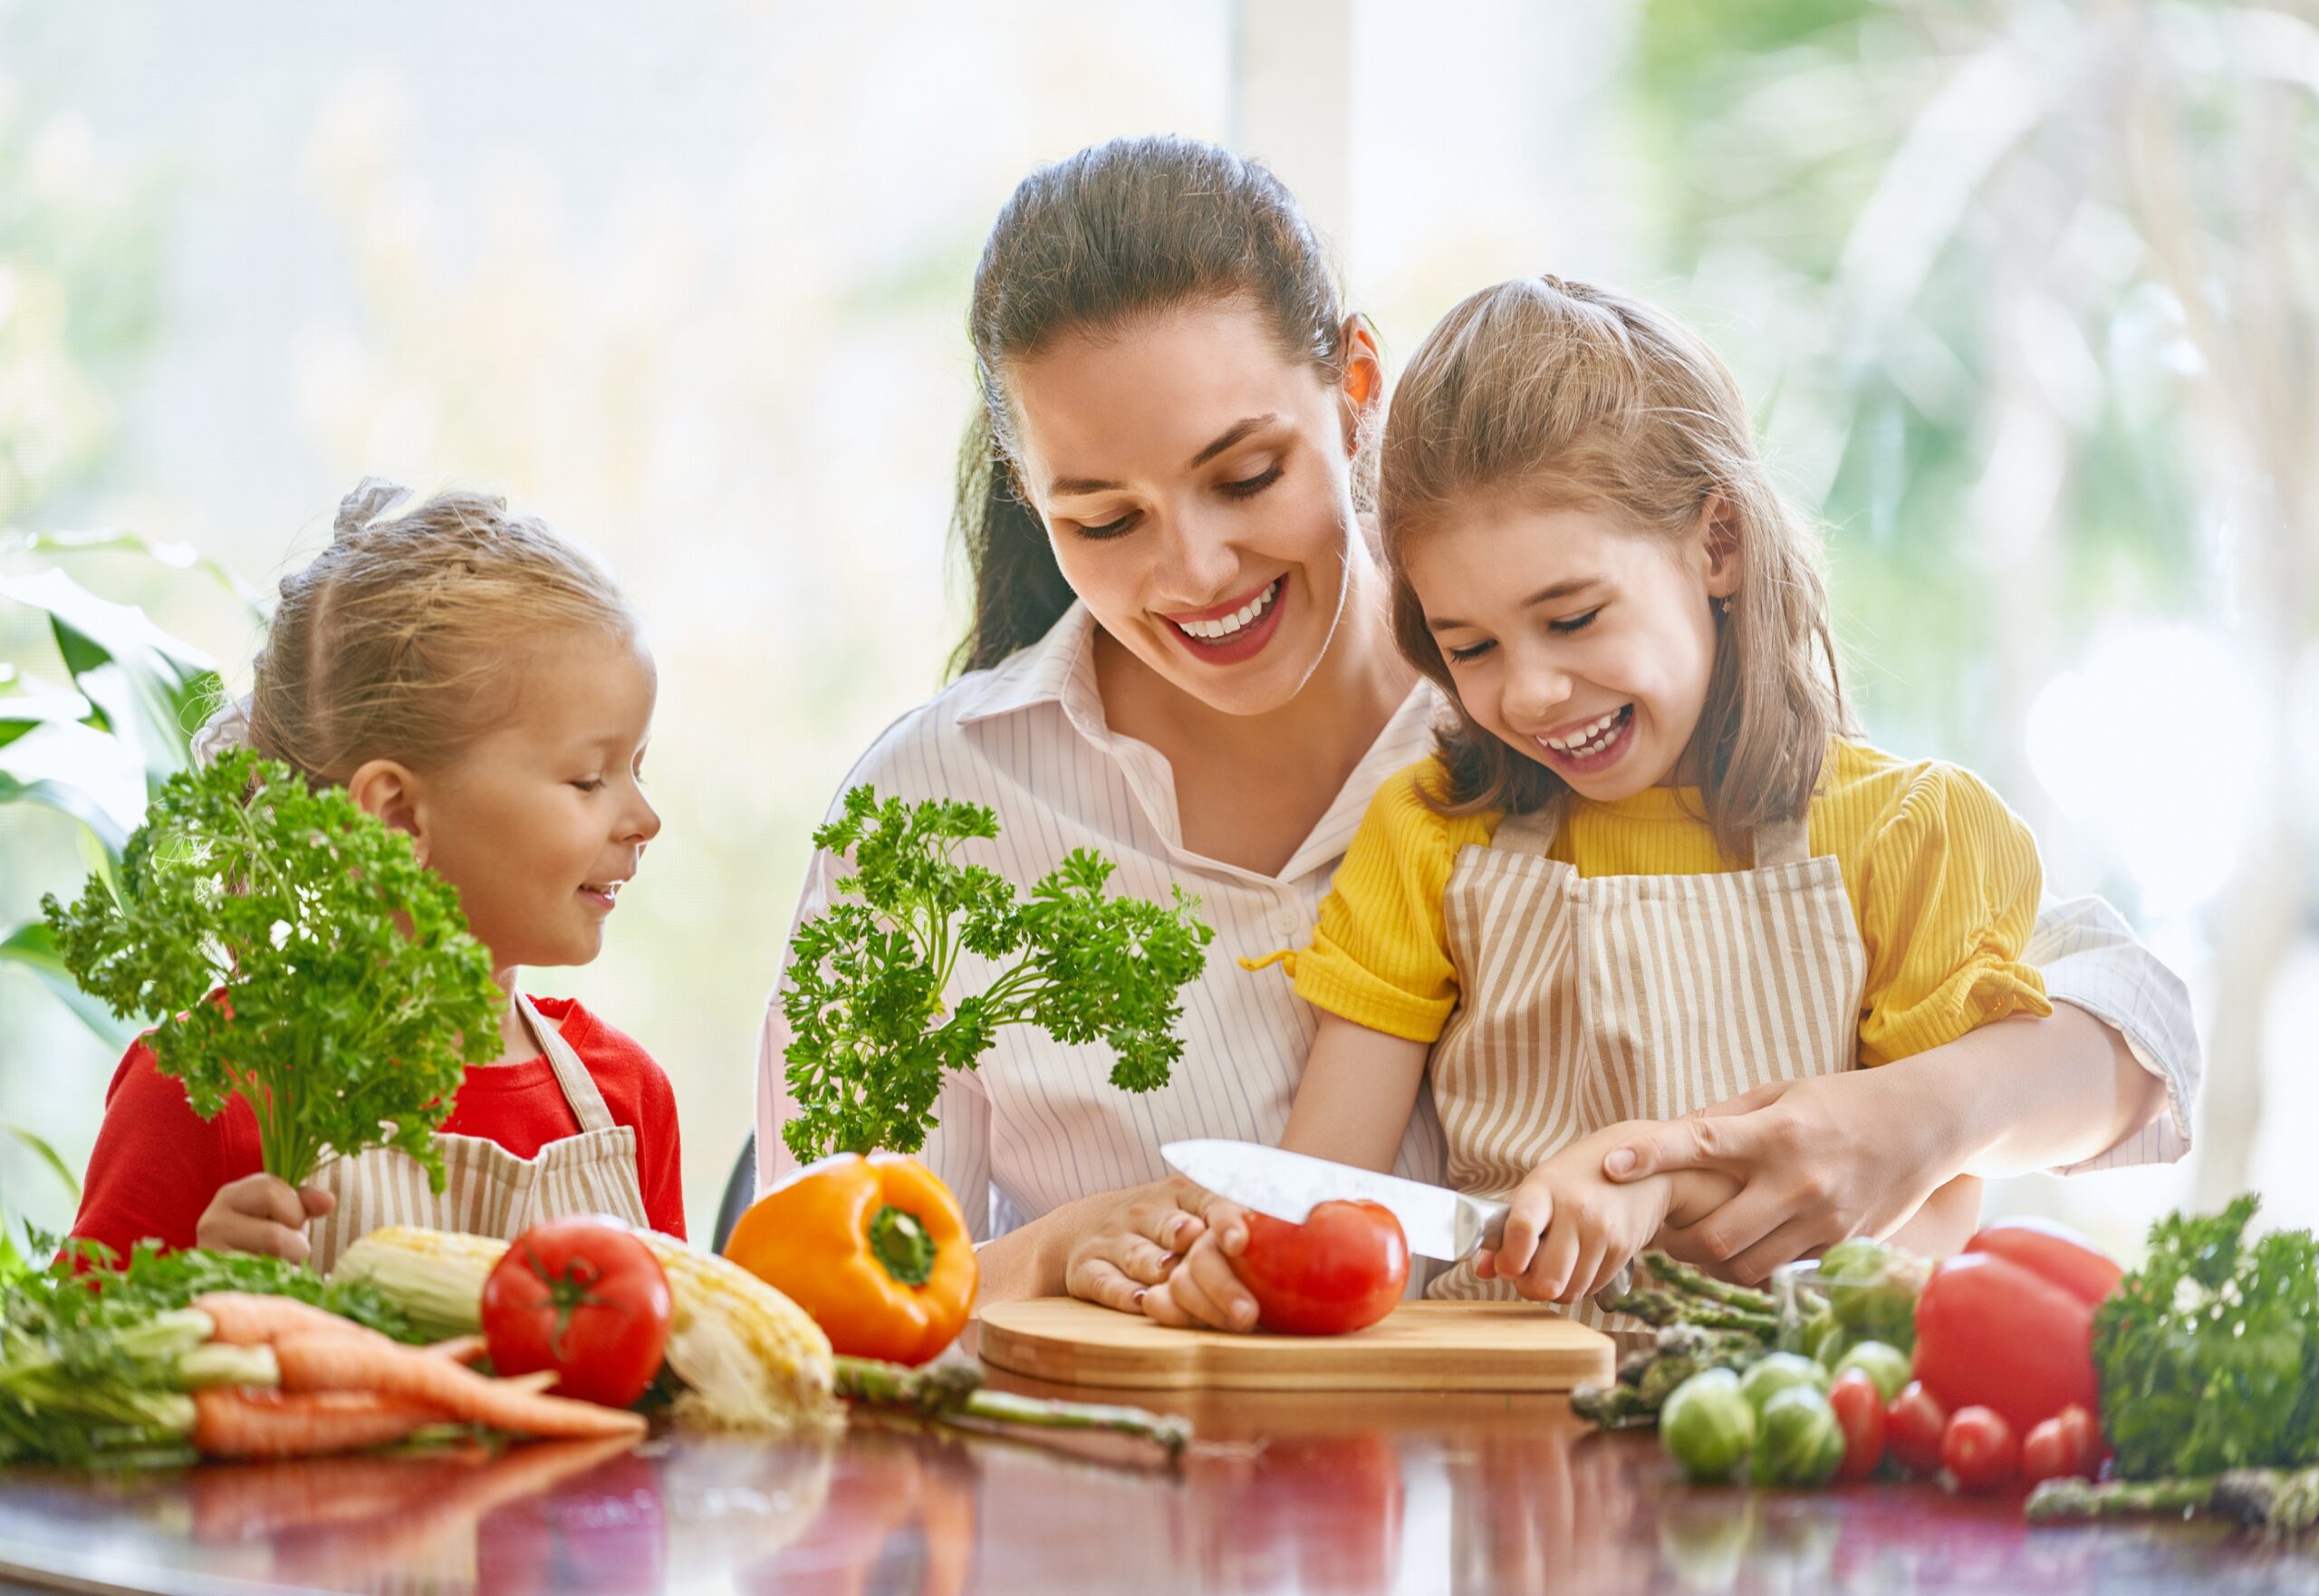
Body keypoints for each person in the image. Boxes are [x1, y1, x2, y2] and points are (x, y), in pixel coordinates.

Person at [755, 137, 2194, 1322]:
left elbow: (2139, 1030)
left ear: (1355, 391)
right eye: (1104, 518)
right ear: (1031, 499)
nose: (1193, 571)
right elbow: (797, 1292)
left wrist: (1924, 1119)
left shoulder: (1574, 724)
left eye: (1246, 474)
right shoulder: (929, 809)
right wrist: (1049, 1252)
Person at [1151, 276, 2064, 1329]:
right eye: (1471, 647)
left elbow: (1933, 1213)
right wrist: (1247, 1259)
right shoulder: (1432, 834)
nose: (1529, 691)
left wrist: (1688, 1211)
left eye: (1574, 618)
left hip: (1778, 1419)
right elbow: (1326, 1192)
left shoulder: (1907, 832)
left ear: (1716, 544)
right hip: (1495, 1426)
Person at [71, 478, 683, 1270]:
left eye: (638, 767)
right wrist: (195, 1288)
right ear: (396, 816)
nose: (646, 818)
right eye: (589, 779)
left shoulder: (629, 1102)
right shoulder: (203, 1089)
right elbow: (70, 1371)